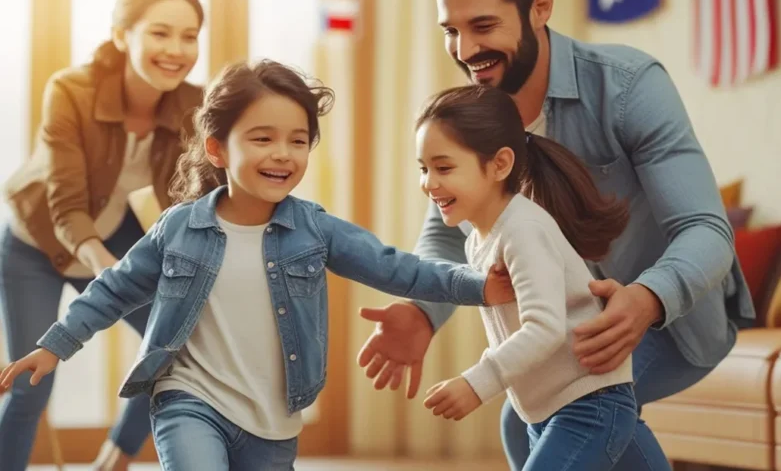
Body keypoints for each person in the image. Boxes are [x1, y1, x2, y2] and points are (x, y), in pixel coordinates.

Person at [0, 59, 515, 471]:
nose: (283, 154)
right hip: (189, 399)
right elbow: (113, 289)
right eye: (263, 138)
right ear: (217, 149)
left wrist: (478, 287)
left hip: (272, 422)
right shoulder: (178, 229)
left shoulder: (315, 230)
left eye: (298, 140)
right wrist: (55, 346)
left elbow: (399, 269)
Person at [357, 0, 755, 469]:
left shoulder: (629, 86)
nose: (465, 49)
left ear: (540, 6)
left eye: (483, 25)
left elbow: (707, 229)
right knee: (536, 415)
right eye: (451, 30)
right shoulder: (479, 117)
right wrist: (421, 310)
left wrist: (648, 298)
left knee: (546, 414)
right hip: (574, 326)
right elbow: (446, 234)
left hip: (671, 323)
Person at [0, 0, 204, 471]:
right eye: (160, 32)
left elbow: (191, 201)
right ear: (120, 35)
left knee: (175, 351)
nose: (176, 49)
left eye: (189, 35)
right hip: (36, 244)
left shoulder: (193, 106)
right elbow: (66, 204)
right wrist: (109, 272)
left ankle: (114, 459)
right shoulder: (71, 89)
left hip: (115, 234)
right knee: (31, 384)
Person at [416, 85, 672, 469]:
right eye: (423, 169)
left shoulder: (523, 230)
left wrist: (476, 382)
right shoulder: (479, 240)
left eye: (444, 167)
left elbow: (544, 328)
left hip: (588, 403)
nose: (429, 183)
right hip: (554, 405)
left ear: (499, 164)